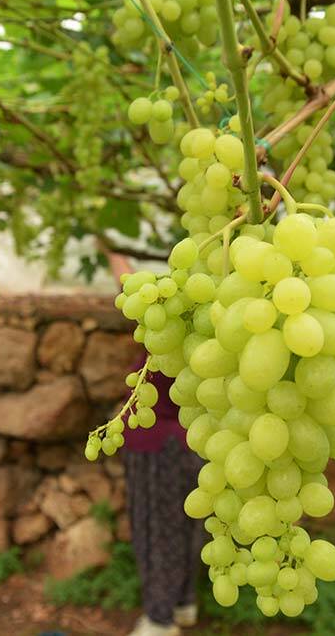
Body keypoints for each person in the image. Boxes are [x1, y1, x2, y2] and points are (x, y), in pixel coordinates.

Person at [103, 246, 205, 636]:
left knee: (156, 531)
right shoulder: (214, 314)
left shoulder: (172, 315)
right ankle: (181, 605)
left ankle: (160, 621)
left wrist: (110, 247)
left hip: (157, 447)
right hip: (189, 442)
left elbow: (130, 287)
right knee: (184, 528)